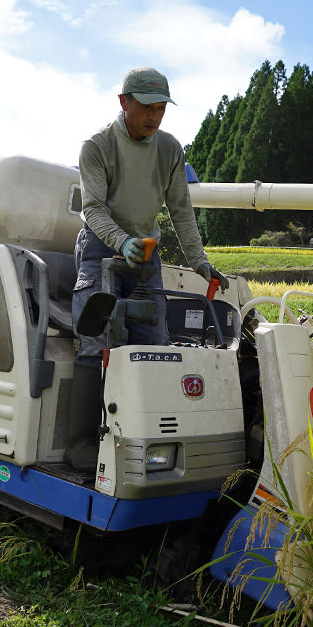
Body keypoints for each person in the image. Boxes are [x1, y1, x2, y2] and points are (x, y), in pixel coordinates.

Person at [65, 66, 228, 469]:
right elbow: (93, 209)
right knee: (96, 343)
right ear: (124, 102)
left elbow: (181, 210)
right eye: (147, 107)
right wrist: (122, 241)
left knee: (154, 345)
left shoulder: (169, 149)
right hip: (99, 248)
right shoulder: (97, 146)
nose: (155, 116)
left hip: (146, 256)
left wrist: (200, 261)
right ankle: (82, 445)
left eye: (161, 108)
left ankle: (144, 443)